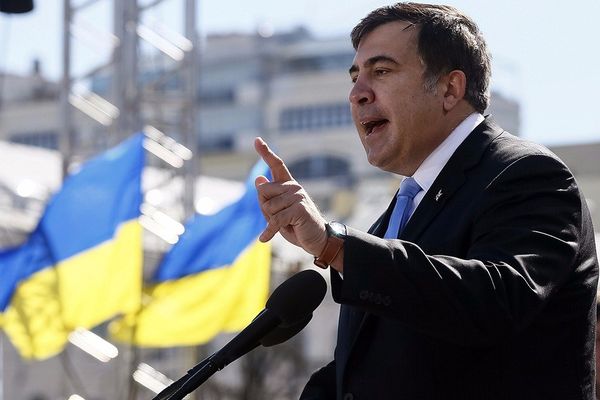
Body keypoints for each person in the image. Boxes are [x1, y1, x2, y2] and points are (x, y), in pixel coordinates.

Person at [254, 2, 599, 399]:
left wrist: (335, 245)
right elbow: (371, 371)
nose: (357, 94)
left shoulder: (528, 174)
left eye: (381, 71)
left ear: (450, 89)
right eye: (355, 77)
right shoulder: (392, 219)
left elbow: (494, 303)